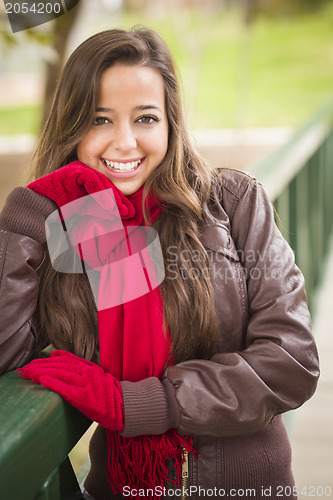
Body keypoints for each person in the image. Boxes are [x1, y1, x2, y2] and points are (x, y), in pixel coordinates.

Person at [0, 27, 319, 500]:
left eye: (145, 118)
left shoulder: (233, 202)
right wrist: (26, 220)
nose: (125, 143)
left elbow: (291, 361)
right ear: (71, 125)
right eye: (99, 119)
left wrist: (142, 405)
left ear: (170, 122)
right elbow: (8, 353)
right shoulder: (64, 228)